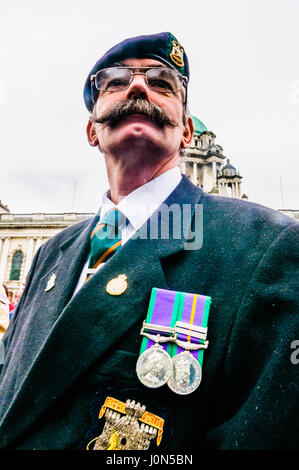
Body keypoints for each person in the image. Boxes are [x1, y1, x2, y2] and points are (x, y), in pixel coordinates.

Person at [0, 32, 298, 451]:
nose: (138, 86)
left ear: (187, 133)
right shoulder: (52, 253)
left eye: (162, 83)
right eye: (116, 82)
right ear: (92, 130)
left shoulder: (267, 246)